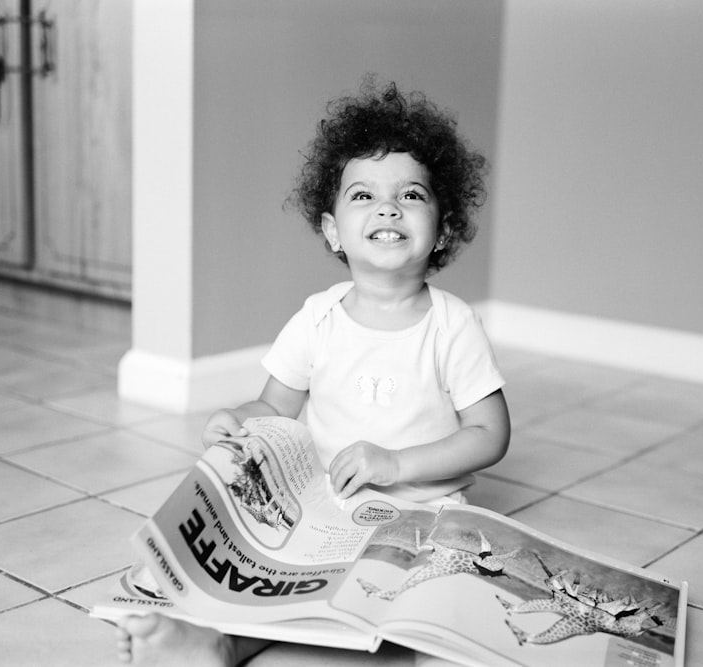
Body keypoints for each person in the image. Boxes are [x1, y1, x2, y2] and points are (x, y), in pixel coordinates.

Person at [116, 78, 510, 666]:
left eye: (411, 195)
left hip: (423, 513)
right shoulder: (318, 318)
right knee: (277, 579)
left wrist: (397, 465)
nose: (387, 207)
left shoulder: (453, 326)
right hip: (325, 509)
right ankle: (215, 643)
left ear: (443, 230)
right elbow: (274, 406)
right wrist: (237, 420)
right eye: (363, 196)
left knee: (421, 597)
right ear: (332, 231)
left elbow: (491, 434)